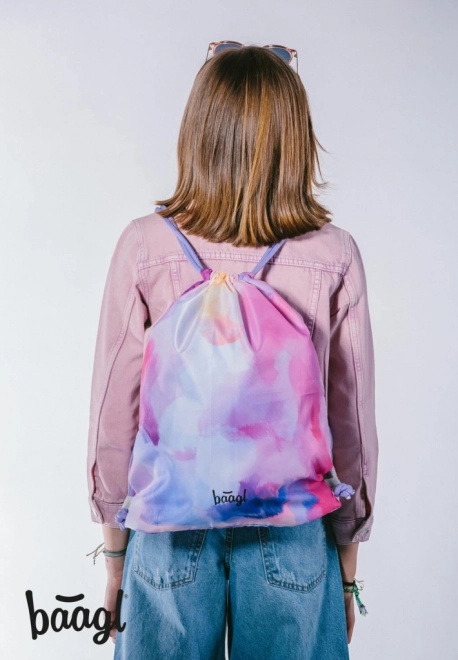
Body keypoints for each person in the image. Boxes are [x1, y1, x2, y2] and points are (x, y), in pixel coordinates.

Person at [86, 42, 379, 660]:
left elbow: (115, 413)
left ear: (199, 132)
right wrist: (347, 562)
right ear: (295, 141)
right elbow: (351, 421)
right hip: (294, 526)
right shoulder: (334, 254)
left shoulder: (144, 246)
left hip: (168, 526)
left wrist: (115, 554)